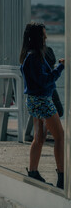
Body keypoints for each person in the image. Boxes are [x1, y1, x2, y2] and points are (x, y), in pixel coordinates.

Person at [19, 22, 65, 189]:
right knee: (60, 137)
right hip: (42, 100)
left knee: (39, 138)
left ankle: (33, 172)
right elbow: (45, 81)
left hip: (34, 100)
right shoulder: (34, 57)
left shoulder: (28, 55)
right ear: (37, 37)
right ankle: (62, 176)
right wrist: (61, 67)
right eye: (43, 35)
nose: (46, 37)